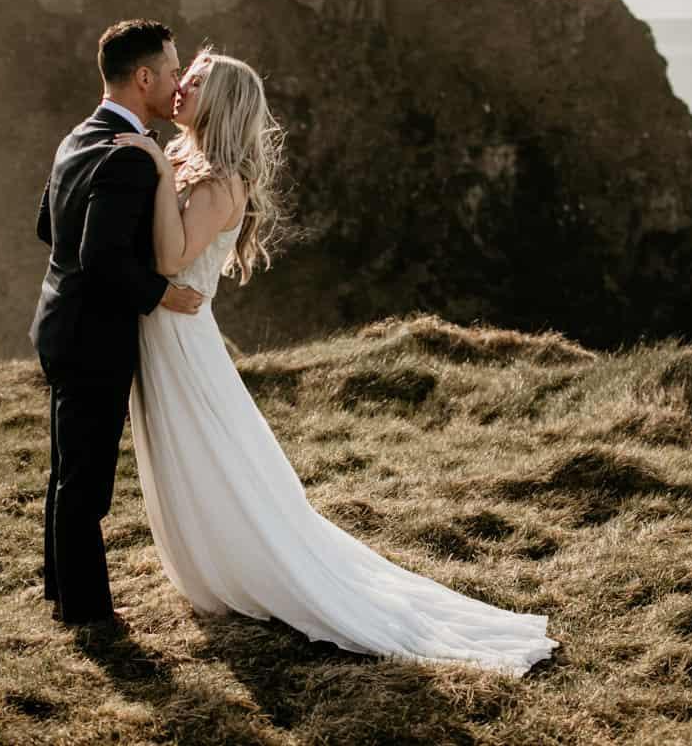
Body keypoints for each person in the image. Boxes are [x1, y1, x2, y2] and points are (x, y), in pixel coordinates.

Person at [112, 49, 557, 675]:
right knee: (192, 453)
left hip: (181, 338)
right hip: (168, 331)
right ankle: (211, 554)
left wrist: (156, 167)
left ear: (222, 103)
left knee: (207, 453)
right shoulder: (191, 162)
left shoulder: (217, 181)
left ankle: (245, 564)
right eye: (184, 75)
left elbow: (167, 259)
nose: (181, 84)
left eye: (196, 80)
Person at [29, 19, 204, 627]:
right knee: (87, 481)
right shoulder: (126, 156)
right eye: (174, 71)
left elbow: (48, 228)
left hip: (57, 319)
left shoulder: (78, 136)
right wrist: (160, 293)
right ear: (145, 76)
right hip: (92, 333)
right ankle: (85, 614)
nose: (179, 83)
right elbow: (100, 257)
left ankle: (61, 590)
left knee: (67, 468)